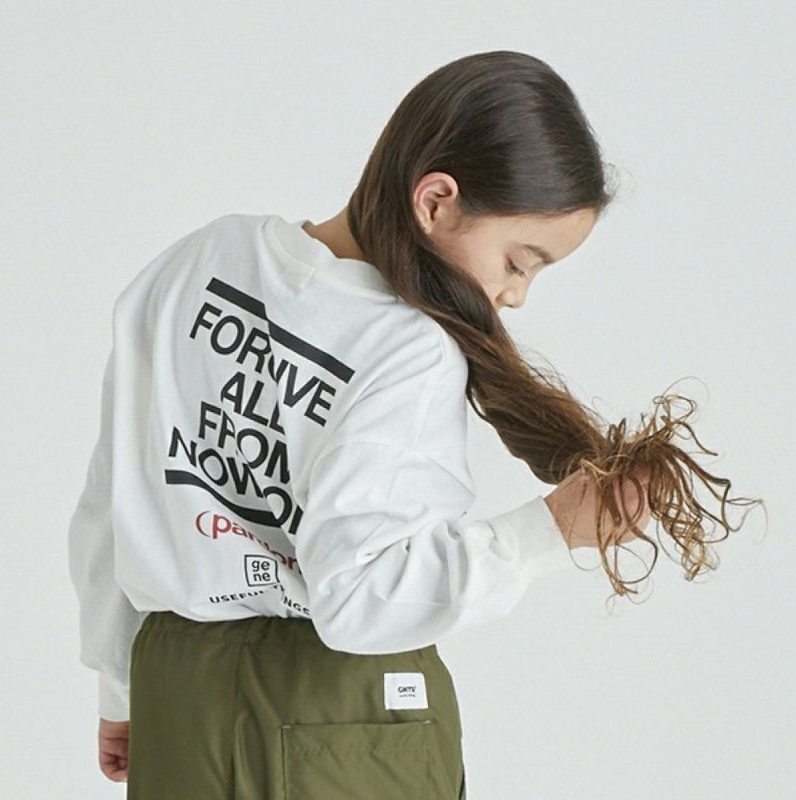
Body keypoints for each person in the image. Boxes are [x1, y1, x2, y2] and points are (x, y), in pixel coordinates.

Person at [67, 49, 749, 799]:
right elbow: (359, 600)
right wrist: (548, 532)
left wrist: (119, 682)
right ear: (436, 202)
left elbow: (111, 500)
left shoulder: (201, 259)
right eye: (520, 261)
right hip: (339, 715)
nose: (516, 296)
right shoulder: (411, 350)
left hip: (177, 697)